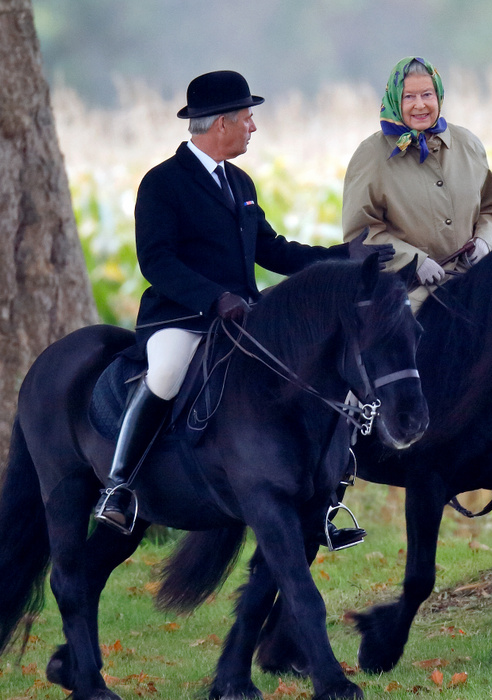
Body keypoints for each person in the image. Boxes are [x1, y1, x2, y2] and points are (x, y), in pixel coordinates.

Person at [94, 70, 393, 542]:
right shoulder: (162, 183)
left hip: (242, 320)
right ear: (221, 125)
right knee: (167, 374)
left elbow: (274, 250)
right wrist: (214, 297)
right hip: (182, 319)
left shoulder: (239, 182)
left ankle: (324, 498)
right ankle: (120, 486)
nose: (253, 126)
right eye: (248, 118)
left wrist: (343, 258)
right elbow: (156, 261)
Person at [342, 56, 492, 485]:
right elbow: (361, 230)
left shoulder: (468, 144)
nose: (420, 105)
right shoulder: (371, 155)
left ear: (439, 97)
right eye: (410, 96)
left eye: (427, 95)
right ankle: (347, 443)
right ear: (395, 99)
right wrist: (415, 261)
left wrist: (488, 242)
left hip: (474, 281)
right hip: (403, 285)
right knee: (393, 348)